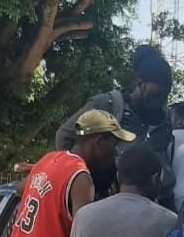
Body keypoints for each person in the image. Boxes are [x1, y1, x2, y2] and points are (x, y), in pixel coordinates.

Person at [9, 110, 135, 237]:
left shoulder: (49, 159)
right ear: (99, 142)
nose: (115, 153)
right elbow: (85, 236)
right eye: (114, 145)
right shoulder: (81, 178)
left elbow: (19, 189)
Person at [55, 45, 175, 206]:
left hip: (134, 207)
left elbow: (163, 178)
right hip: (93, 200)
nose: (159, 100)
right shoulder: (108, 105)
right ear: (140, 83)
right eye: (155, 93)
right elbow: (64, 136)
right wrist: (78, 180)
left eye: (164, 96)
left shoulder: (159, 121)